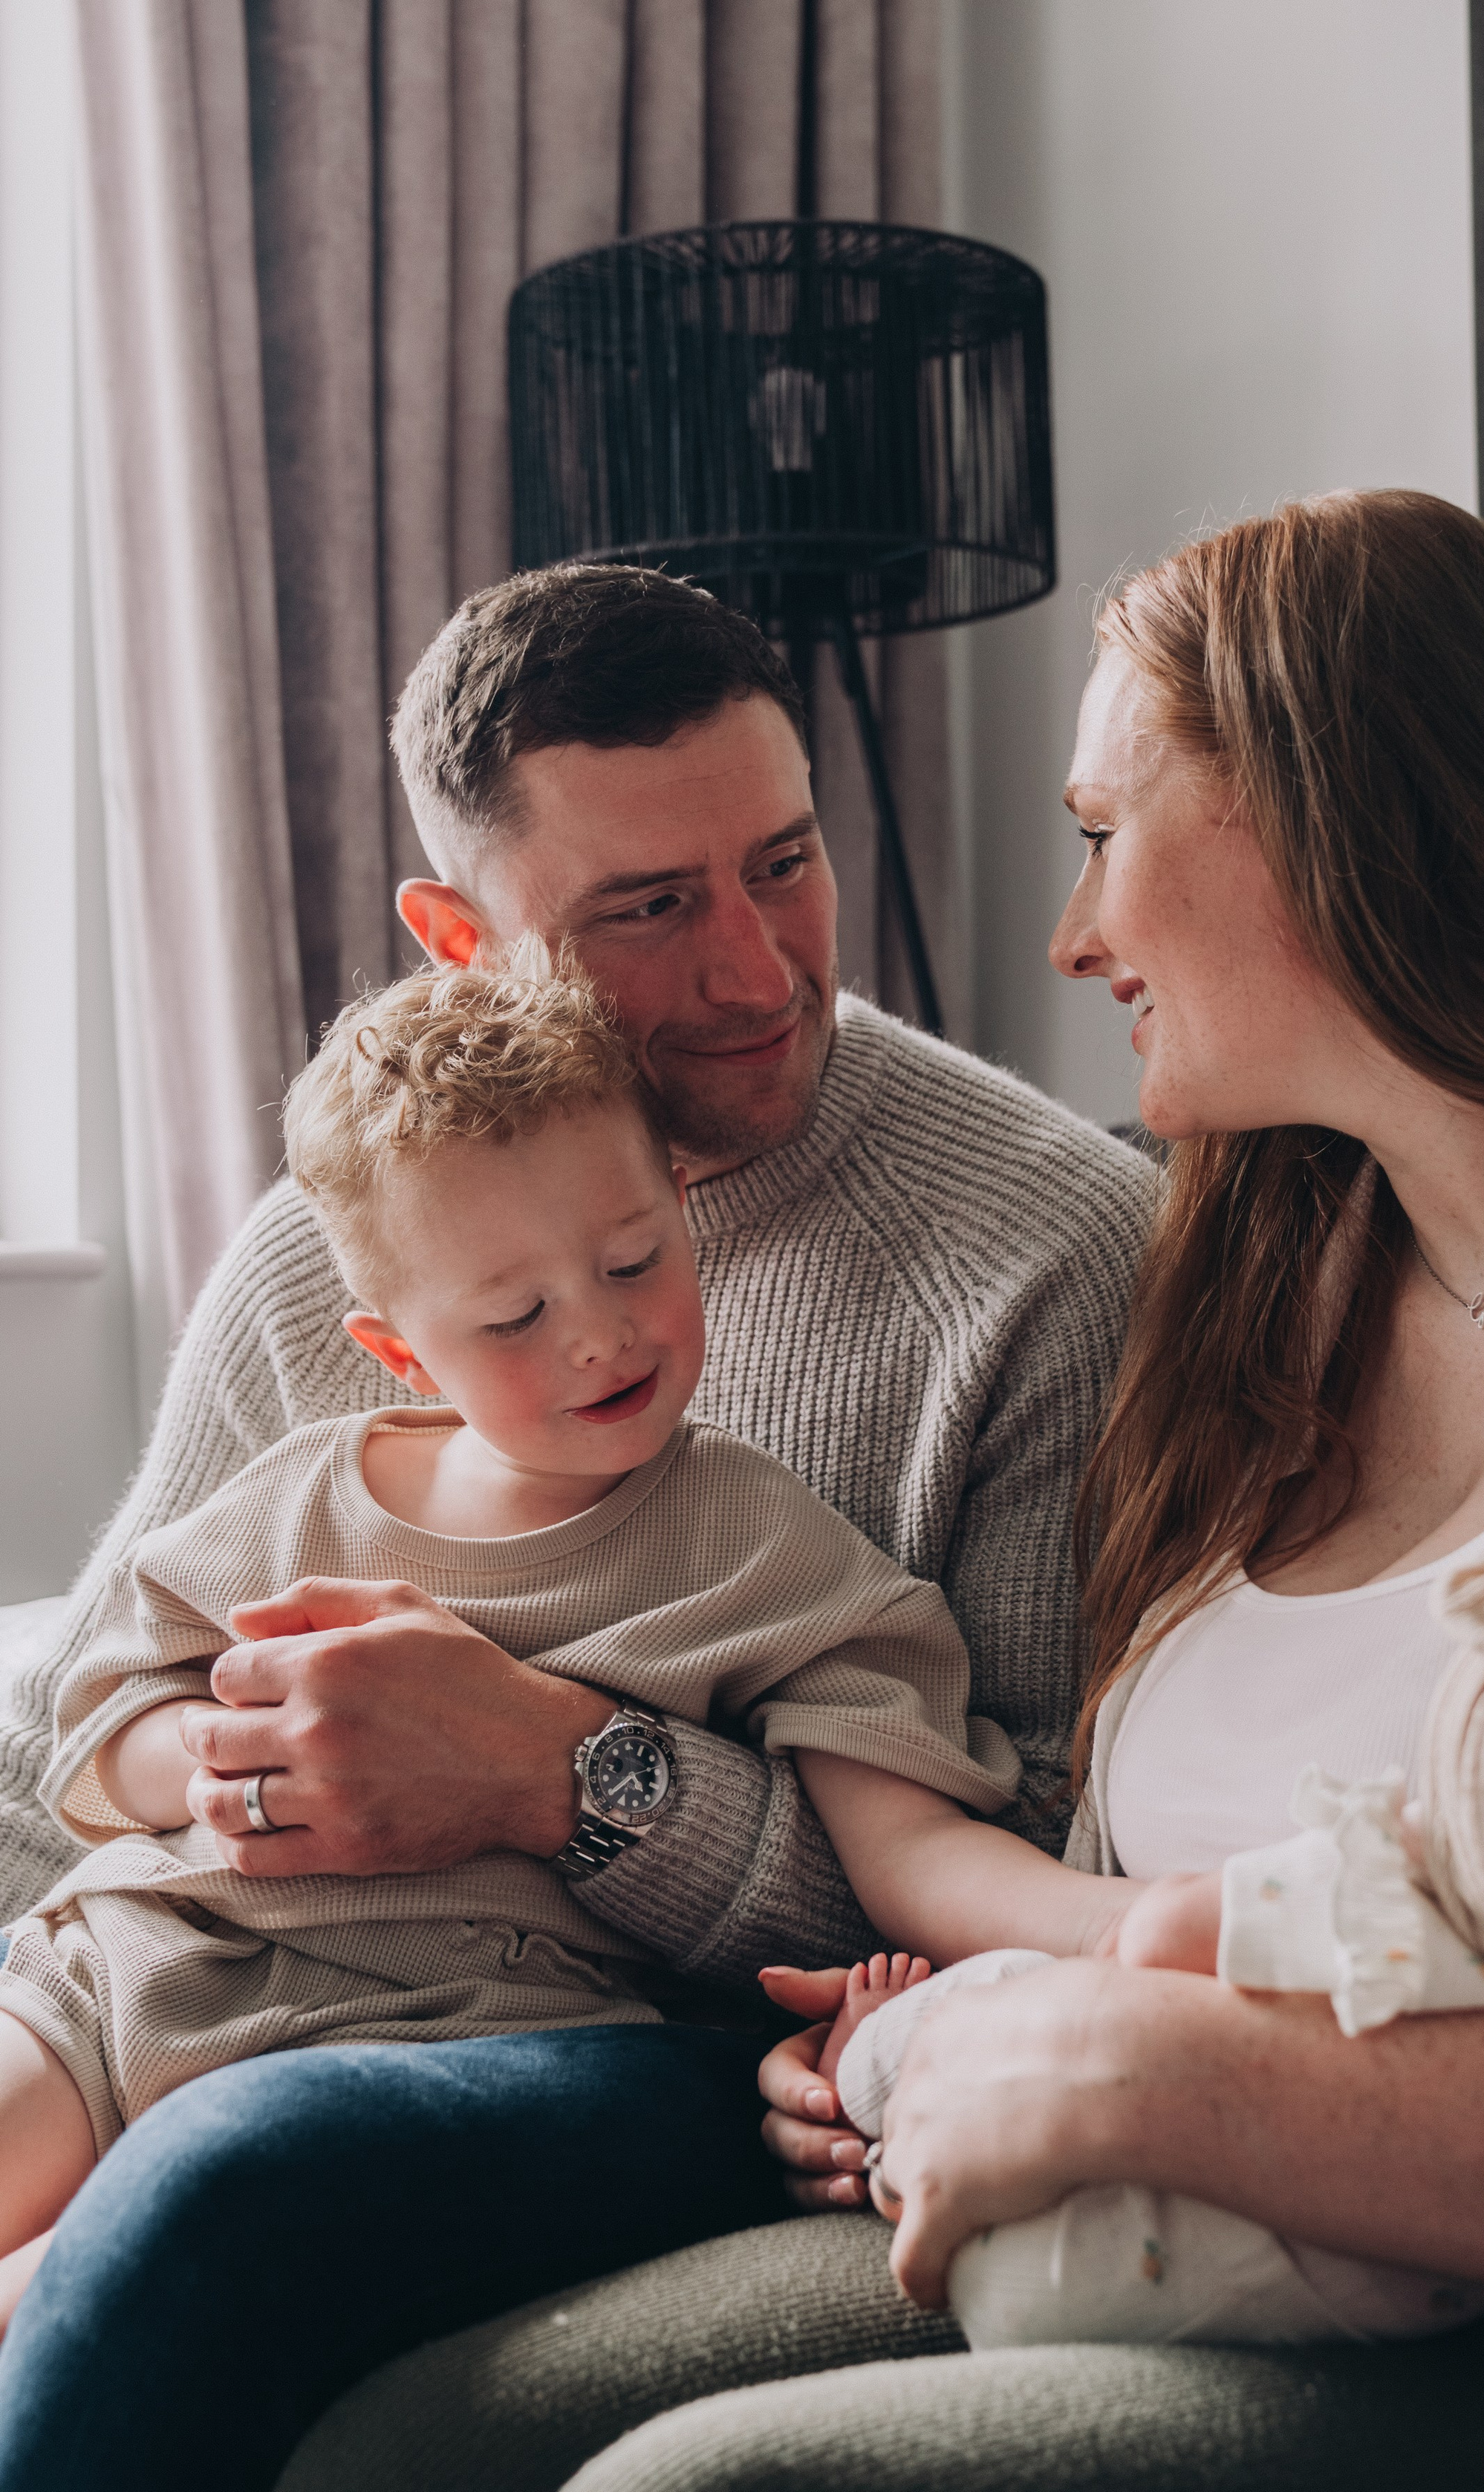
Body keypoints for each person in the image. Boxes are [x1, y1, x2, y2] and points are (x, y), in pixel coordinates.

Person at [278, 489, 1484, 2492]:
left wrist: (1140, 2066)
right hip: (1132, 2192)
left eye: (1104, 839)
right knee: (404, 2438)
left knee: (687, 2490)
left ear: (1331, 824)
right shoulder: (1276, 1274)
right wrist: (922, 2030)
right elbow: (1085, 1868)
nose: (1071, 935)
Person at [0, 566, 1153, 2491]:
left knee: (213, 2189)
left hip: (612, 2042)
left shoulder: (1046, 1257)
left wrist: (566, 1777)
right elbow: (72, 1726)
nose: (761, 971)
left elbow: (1002, 1850)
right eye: (649, 908)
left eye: (787, 863)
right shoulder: (342, 1248)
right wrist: (188, 1798)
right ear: (466, 941)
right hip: (196, 1959)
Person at [0, 957, 1019, 2320]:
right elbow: (98, 1706)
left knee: (59, 2298)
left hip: (441, 2031)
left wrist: (1084, 1937)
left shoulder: (763, 1546)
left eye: (633, 1261)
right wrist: (223, 1760)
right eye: (517, 1316)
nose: (599, 1335)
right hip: (137, 1966)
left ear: (682, 1214)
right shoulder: (305, 1492)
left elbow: (900, 1850)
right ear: (403, 1352)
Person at [813, 1535, 1484, 2353]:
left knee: (1006, 1994)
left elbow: (1158, 1938)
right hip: (1406, 2295)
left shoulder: (1390, 1897)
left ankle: (860, 2070)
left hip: (1077, 2241)